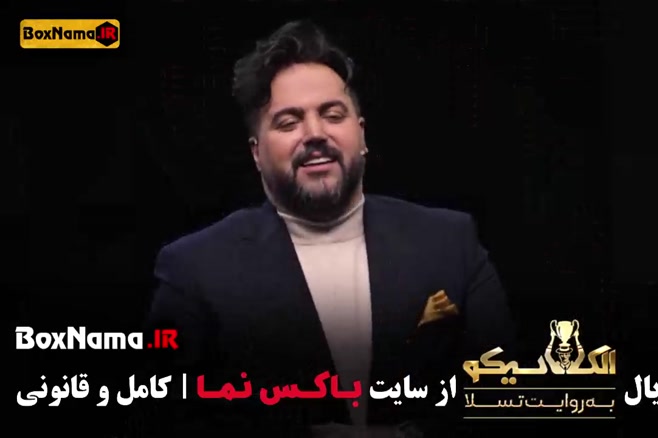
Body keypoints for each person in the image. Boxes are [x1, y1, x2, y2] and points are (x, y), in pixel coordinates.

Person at [144, 19, 517, 437]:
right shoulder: (195, 270)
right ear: (257, 154)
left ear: (361, 133)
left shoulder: (449, 243)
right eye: (288, 123)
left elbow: (504, 400)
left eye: (332, 114)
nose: (315, 133)